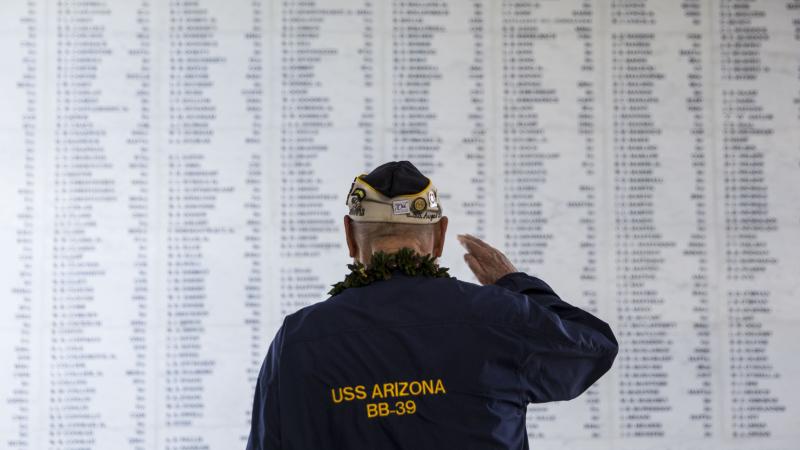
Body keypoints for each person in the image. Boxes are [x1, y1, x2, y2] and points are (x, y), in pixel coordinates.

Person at [246, 160, 618, 449]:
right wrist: (514, 284)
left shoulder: (297, 340)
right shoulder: (496, 317)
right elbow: (594, 348)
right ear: (439, 237)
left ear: (349, 235)